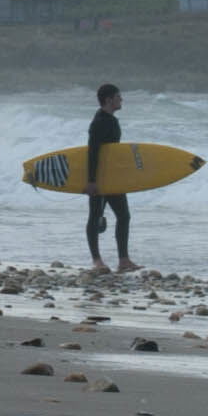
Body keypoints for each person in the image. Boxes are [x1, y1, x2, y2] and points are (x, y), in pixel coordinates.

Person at [82, 81, 136, 274]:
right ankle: (97, 260)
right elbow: (93, 152)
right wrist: (91, 181)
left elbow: (112, 153)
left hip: (112, 178)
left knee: (124, 216)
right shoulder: (99, 123)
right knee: (95, 217)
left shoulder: (112, 120)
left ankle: (123, 260)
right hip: (98, 178)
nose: (121, 99)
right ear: (108, 100)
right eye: (118, 96)